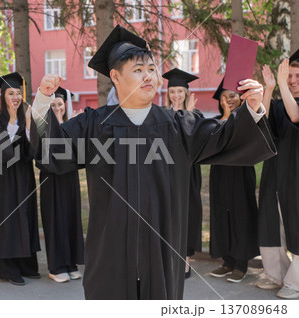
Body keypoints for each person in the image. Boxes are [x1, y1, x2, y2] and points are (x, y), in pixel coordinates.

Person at [29, 25, 275, 299]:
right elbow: (53, 152)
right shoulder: (93, 125)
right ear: (115, 76)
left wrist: (253, 109)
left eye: (151, 69)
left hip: (162, 253)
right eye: (137, 70)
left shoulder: (178, 126)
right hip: (109, 254)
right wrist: (42, 102)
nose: (148, 76)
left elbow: (226, 137)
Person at [0, 72, 40, 286]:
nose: (15, 97)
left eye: (18, 94)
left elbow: (31, 152)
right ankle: (9, 269)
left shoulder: (26, 119)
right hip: (5, 177)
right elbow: (1, 153)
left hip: (24, 176)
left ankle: (27, 264)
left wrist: (29, 127)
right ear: (3, 96)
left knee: (26, 216)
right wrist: (14, 123)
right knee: (9, 220)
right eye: (10, 93)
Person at [208, 80, 260, 284]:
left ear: (241, 98)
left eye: (232, 95)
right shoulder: (214, 121)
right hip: (219, 173)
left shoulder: (247, 121)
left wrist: (232, 118)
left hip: (240, 173)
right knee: (221, 213)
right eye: (224, 96)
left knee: (241, 214)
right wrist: (226, 118)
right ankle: (227, 260)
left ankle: (241, 264)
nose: (228, 100)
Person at [257, 50, 299, 299]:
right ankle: (275, 273)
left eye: (296, 76)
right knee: (273, 221)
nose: (292, 80)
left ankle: (295, 281)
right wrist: (270, 88)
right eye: (290, 75)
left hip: (297, 174)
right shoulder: (280, 102)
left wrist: (282, 83)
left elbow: (295, 115)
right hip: (276, 170)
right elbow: (263, 121)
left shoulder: (291, 104)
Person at [37, 86, 84, 283]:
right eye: (53, 105)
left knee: (71, 219)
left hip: (69, 180)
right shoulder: (42, 127)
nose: (57, 109)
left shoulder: (72, 125)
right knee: (55, 221)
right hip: (52, 181)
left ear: (65, 105)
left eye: (60, 105)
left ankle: (71, 263)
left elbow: (80, 155)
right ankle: (56, 266)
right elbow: (41, 157)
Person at [162, 68, 202, 279]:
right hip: (167, 174)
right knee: (169, 215)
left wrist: (186, 115)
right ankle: (169, 258)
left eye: (180, 91)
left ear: (187, 93)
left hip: (188, 175)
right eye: (172, 92)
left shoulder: (196, 115)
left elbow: (195, 145)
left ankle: (185, 260)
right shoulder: (162, 115)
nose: (176, 96)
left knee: (187, 215)